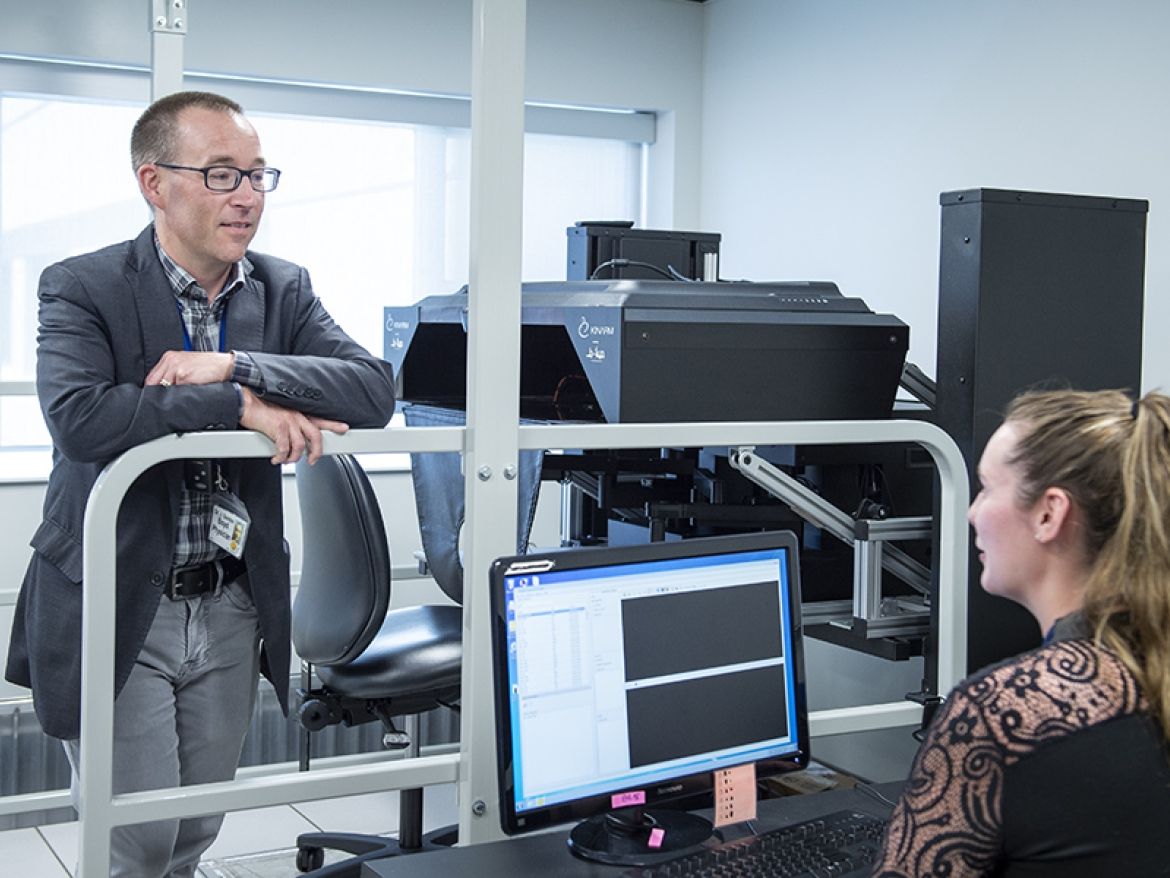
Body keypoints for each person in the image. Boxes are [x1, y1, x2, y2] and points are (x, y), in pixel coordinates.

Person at [4, 91, 396, 876]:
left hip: (229, 601)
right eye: (222, 174)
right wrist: (239, 406)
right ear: (155, 183)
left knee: (193, 830)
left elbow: (372, 391)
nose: (247, 196)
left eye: (257, 175)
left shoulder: (282, 288)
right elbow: (82, 418)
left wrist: (234, 364)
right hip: (121, 600)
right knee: (136, 838)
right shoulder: (83, 285)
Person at [875, 389, 1170, 876]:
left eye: (988, 488)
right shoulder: (1150, 666)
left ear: (1050, 513)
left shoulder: (998, 714)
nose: (972, 512)